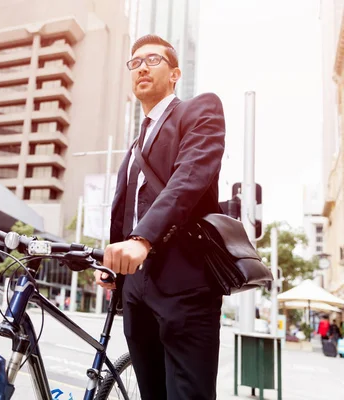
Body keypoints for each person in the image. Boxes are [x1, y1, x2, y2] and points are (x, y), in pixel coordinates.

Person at [95, 34, 226, 399]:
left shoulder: (200, 110)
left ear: (174, 74)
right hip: (135, 289)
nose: (141, 68)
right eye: (134, 63)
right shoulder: (136, 144)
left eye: (152, 60)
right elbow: (125, 212)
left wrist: (141, 239)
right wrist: (113, 263)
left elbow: (189, 180)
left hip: (185, 284)